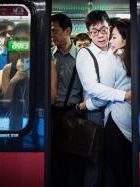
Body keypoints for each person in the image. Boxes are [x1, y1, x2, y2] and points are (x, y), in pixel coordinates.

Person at [76, 10, 131, 187]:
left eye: (104, 30)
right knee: (94, 162)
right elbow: (92, 87)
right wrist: (124, 95)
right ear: (89, 32)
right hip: (95, 113)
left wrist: (86, 104)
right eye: (94, 31)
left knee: (111, 163)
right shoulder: (85, 54)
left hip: (112, 113)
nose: (100, 36)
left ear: (109, 28)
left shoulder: (115, 50)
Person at [50, 13, 83, 187]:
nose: (52, 35)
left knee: (73, 159)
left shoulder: (82, 56)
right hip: (52, 112)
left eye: (55, 31)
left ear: (67, 31)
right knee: (54, 158)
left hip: (73, 113)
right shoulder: (48, 56)